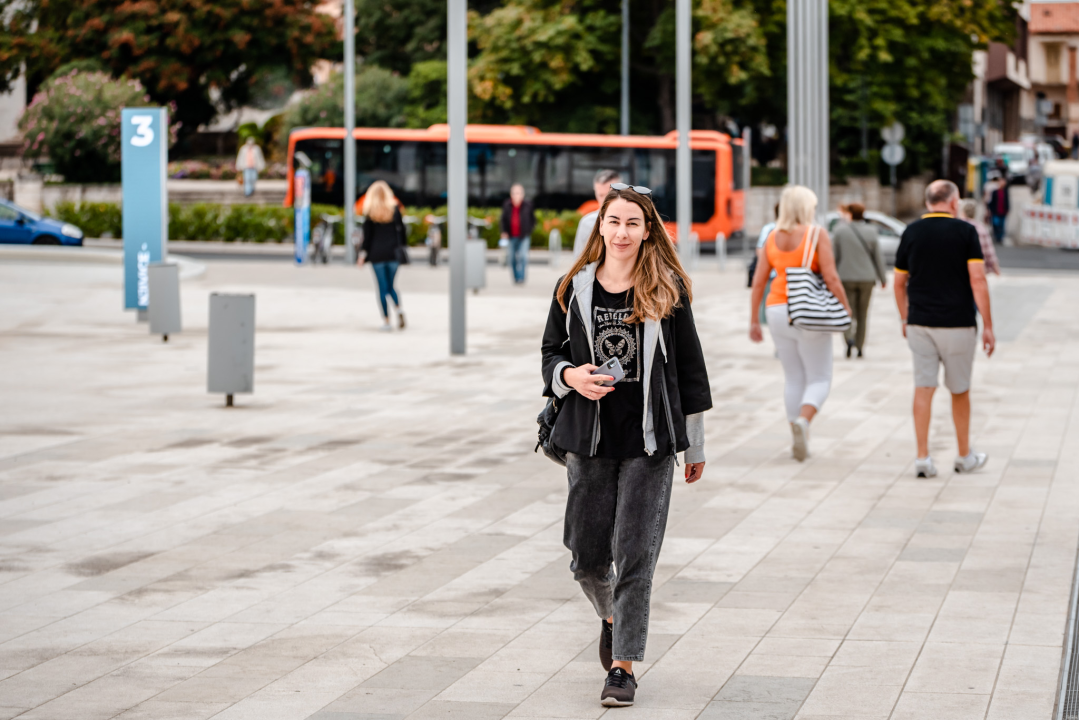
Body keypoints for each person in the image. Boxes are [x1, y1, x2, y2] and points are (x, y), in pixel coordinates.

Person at [541, 184, 712, 708]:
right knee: (586, 558)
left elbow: (690, 372)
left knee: (635, 556)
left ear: (647, 229)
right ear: (601, 226)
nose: (622, 232)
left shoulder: (667, 288)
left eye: (632, 223)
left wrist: (694, 446)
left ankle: (623, 669)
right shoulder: (572, 288)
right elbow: (549, 355)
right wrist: (572, 375)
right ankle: (612, 617)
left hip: (650, 443)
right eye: (614, 221)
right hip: (588, 441)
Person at [893, 180, 994, 478]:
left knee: (923, 388)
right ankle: (963, 456)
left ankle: (922, 458)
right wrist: (988, 325)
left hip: (920, 322)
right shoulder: (966, 232)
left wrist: (904, 318)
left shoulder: (911, 232)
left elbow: (899, 283)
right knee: (959, 390)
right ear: (953, 202)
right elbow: (978, 280)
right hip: (958, 323)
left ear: (927, 202)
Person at [748, 185, 851, 461]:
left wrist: (754, 320)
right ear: (806, 208)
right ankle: (804, 422)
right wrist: (845, 307)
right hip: (808, 311)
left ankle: (795, 428)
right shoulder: (816, 234)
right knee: (820, 377)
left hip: (776, 309)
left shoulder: (772, 237)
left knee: (793, 376)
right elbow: (831, 277)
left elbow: (758, 281)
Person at [832, 202, 886, 358]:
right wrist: (883, 278)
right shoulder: (871, 231)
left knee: (847, 311)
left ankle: (849, 338)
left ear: (849, 214)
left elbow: (834, 257)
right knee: (863, 314)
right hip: (867, 278)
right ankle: (860, 346)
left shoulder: (839, 231)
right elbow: (878, 257)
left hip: (845, 277)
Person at [359, 180, 407, 331]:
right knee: (391, 286)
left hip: (376, 254)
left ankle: (386, 321)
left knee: (382, 288)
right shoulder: (395, 210)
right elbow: (402, 232)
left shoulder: (370, 212)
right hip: (393, 253)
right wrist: (402, 248)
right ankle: (399, 308)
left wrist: (362, 255)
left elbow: (367, 238)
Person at [573, 169, 623, 258]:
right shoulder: (587, 223)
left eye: (609, 194)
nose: (605, 200)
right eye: (601, 195)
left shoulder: (635, 220)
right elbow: (578, 258)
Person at [500, 183, 536, 284]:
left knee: (523, 256)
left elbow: (533, 220)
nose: (516, 195)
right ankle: (516, 277)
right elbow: (503, 220)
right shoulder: (507, 205)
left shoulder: (528, 205)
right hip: (511, 236)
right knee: (511, 258)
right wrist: (504, 232)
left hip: (524, 236)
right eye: (514, 193)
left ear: (522, 194)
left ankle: (521, 278)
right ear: (511, 194)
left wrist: (529, 230)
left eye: (518, 193)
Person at [959, 199, 1001, 276]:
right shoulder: (981, 227)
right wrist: (996, 268)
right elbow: (989, 251)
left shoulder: (957, 226)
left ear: (962, 211)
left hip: (960, 269)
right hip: (978, 268)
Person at [984, 173, 1009, 244]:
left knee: (1002, 225)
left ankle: (1000, 237)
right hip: (995, 211)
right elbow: (991, 201)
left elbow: (1007, 201)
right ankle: (996, 236)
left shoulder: (1005, 191)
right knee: (995, 224)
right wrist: (989, 209)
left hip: (1003, 211)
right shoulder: (994, 191)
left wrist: (1008, 209)